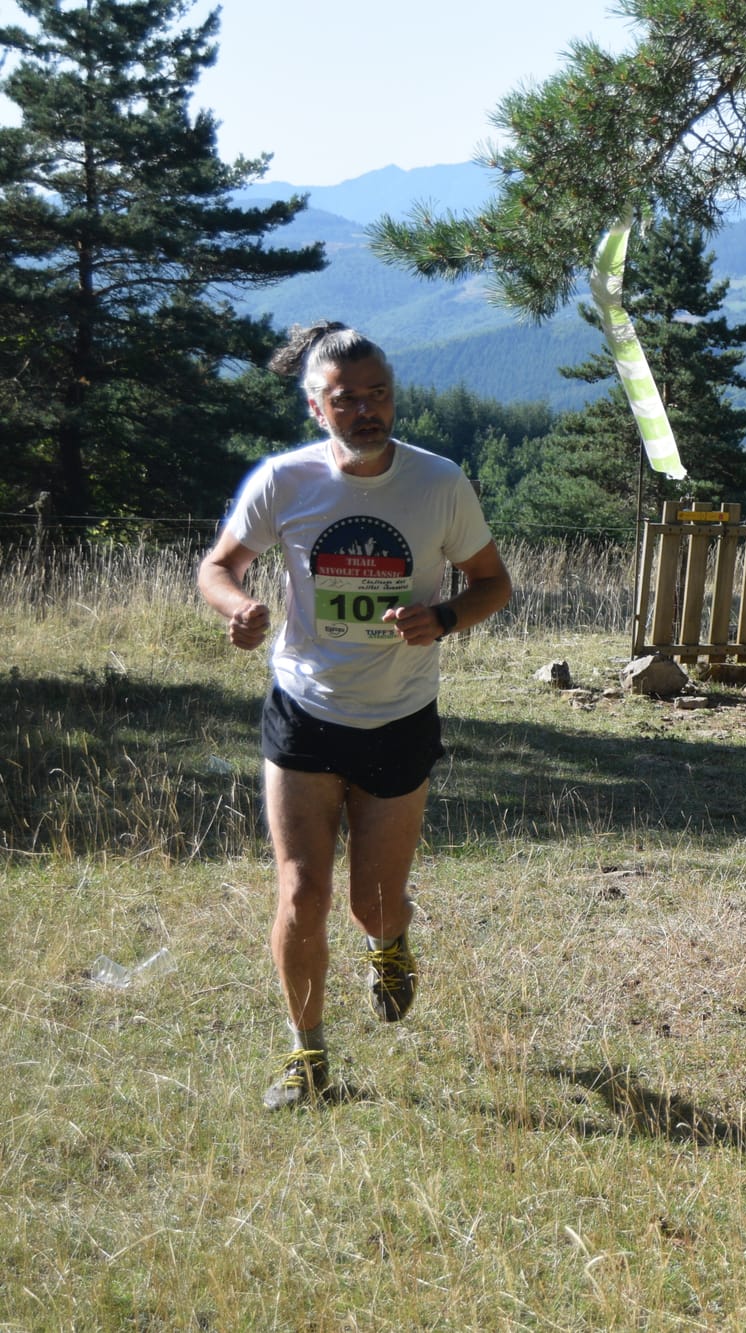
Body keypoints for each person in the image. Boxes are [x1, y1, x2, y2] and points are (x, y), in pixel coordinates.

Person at [197, 322, 512, 1111]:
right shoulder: (285, 480)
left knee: (373, 899)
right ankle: (307, 1057)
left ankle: (389, 944)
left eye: (380, 395)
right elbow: (220, 565)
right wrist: (238, 606)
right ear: (316, 405)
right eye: (348, 399)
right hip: (304, 710)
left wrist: (442, 618)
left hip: (401, 713)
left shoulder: (439, 483)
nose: (368, 410)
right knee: (302, 893)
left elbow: (492, 583)